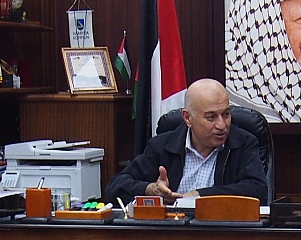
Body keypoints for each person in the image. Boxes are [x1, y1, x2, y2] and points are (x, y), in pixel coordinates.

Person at [105, 78, 269, 204]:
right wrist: (150, 189)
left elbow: (257, 191)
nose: (222, 125)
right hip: (171, 232)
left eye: (226, 114)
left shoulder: (243, 143)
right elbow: (115, 187)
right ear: (187, 118)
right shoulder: (161, 146)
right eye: (211, 117)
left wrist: (199, 196)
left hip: (221, 232)